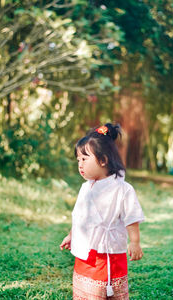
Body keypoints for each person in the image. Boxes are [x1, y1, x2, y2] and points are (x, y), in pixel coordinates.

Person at [60, 123, 144, 299]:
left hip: (108, 255)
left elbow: (131, 218)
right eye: (78, 160)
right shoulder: (85, 188)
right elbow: (80, 217)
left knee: (108, 289)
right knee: (86, 292)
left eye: (84, 159)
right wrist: (71, 234)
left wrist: (134, 242)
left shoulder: (122, 189)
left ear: (103, 160)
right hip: (85, 254)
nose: (80, 165)